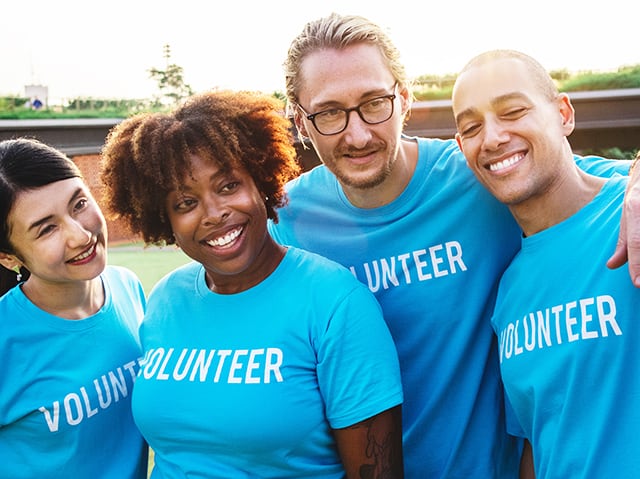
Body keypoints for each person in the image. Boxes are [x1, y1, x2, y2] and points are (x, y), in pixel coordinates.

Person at [268, 12, 634, 478]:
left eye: (374, 103)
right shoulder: (287, 220)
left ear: (404, 98)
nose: (357, 133)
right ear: (301, 121)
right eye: (329, 113)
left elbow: (577, 179)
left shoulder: (478, 173)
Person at [99, 89, 404, 479]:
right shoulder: (165, 299)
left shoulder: (335, 303)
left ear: (260, 181)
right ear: (165, 221)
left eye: (228, 186)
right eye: (185, 203)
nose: (214, 213)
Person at [451, 48, 640, 478]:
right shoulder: (509, 293)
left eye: (513, 111)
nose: (493, 137)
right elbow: (540, 442)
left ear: (563, 114)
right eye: (472, 127)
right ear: (462, 147)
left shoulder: (631, 216)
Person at [0, 138, 148, 478]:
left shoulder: (128, 288)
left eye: (79, 204)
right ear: (8, 257)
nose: (80, 235)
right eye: (47, 228)